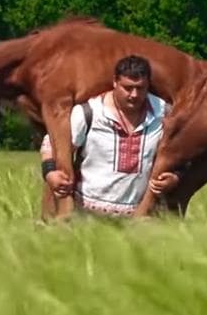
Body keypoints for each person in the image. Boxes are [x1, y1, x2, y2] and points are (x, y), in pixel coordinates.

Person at [40, 55, 181, 217]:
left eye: (140, 88)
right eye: (128, 88)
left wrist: (175, 177)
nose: (134, 95)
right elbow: (52, 144)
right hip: (86, 217)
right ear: (115, 82)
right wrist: (50, 172)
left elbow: (181, 153)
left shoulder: (164, 114)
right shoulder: (89, 113)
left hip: (140, 220)